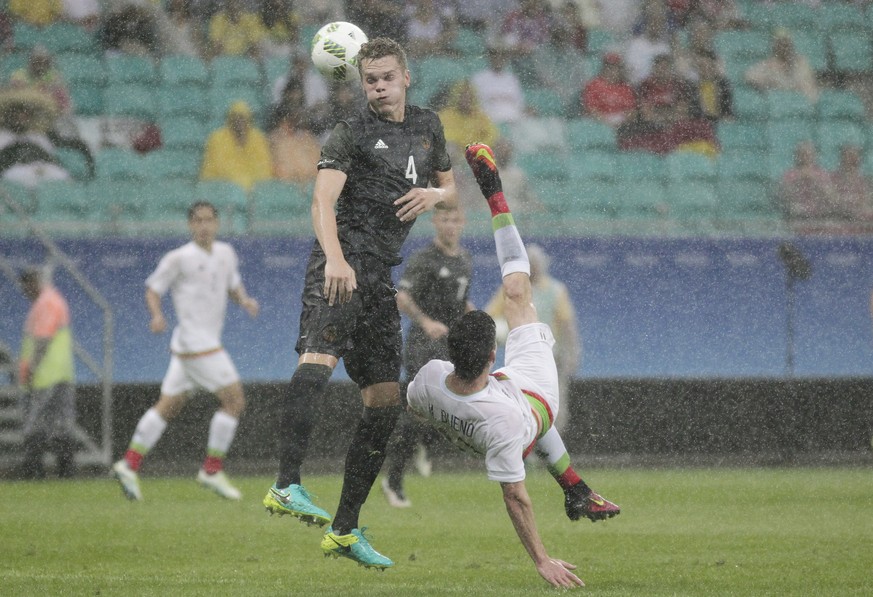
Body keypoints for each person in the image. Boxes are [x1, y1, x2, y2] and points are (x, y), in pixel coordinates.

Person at [261, 37, 457, 570]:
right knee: (318, 363)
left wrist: (438, 196)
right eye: (370, 79)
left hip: (379, 281)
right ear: (361, 82)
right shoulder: (350, 133)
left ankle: (345, 529)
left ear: (406, 77)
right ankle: (285, 483)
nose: (378, 86)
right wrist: (335, 259)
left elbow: (451, 188)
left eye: (387, 77)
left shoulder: (427, 125)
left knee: (386, 400)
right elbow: (321, 200)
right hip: (341, 269)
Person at [406, 142, 619, 589]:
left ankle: (578, 491)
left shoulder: (426, 380)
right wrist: (542, 560)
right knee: (518, 293)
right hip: (529, 397)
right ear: (491, 357)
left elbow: (404, 402)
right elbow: (516, 498)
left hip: (489, 404)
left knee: (516, 307)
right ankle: (494, 195)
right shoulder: (504, 420)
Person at [111, 201, 260, 501]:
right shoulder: (178, 258)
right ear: (190, 225)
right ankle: (212, 470)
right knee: (234, 400)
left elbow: (232, 284)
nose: (204, 226)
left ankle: (129, 463)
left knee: (169, 405)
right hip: (196, 344)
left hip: (194, 347)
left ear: (217, 223)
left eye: (209, 220)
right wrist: (156, 315)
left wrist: (243, 300)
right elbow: (153, 289)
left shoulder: (226, 253)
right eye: (198, 221)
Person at [381, 203, 475, 508]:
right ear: (435, 222)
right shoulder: (425, 259)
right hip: (423, 343)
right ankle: (393, 481)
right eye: (444, 219)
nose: (450, 225)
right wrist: (425, 322)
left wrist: (475, 320)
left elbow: (461, 303)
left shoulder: (465, 261)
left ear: (462, 222)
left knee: (456, 405)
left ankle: (424, 441)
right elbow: (401, 297)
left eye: (455, 219)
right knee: (417, 411)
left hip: (451, 345)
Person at [485, 243, 580, 431]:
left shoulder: (555, 290)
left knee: (555, 404)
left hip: (551, 358)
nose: (533, 267)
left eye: (536, 263)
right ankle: (529, 452)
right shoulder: (511, 288)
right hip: (521, 359)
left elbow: (567, 326)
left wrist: (572, 354)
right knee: (522, 402)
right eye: (529, 263)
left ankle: (551, 451)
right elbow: (491, 317)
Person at [16, 268, 77, 479]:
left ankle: (34, 471)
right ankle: (66, 472)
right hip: (60, 373)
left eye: (25, 286)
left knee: (35, 422)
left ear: (33, 282)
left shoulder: (46, 303)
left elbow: (42, 339)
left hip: (45, 375)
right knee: (61, 423)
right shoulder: (52, 300)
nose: (24, 292)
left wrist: (31, 368)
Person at [200, 100, 272, 192]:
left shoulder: (258, 139)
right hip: (224, 191)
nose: (239, 122)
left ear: (249, 120)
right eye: (235, 117)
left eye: (243, 118)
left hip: (253, 194)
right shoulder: (217, 139)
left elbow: (264, 171)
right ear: (230, 119)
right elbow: (210, 172)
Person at [744, 28, 818, 104]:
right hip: (778, 104)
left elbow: (809, 89)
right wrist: (767, 84)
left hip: (798, 104)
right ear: (775, 46)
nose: (784, 47)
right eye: (780, 44)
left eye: (786, 44)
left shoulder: (801, 62)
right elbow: (749, 76)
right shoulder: (769, 64)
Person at [581, 52, 637, 127]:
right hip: (599, 123)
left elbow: (631, 111)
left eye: (615, 68)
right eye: (609, 67)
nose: (612, 71)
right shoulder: (593, 85)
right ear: (603, 68)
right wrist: (607, 124)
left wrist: (622, 123)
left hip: (621, 124)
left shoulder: (625, 87)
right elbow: (591, 110)